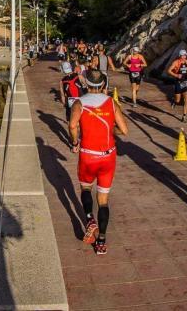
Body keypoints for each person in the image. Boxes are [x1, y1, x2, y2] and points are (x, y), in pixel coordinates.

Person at [68, 70, 128, 255]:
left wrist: (75, 142)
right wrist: (111, 131)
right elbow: (124, 130)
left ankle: (89, 218)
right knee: (103, 200)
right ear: (103, 85)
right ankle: (101, 241)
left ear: (86, 85)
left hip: (88, 154)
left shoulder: (79, 103)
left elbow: (72, 126)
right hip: (108, 156)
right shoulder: (111, 102)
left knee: (86, 188)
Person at [167, 49, 187, 123]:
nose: (184, 57)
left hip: (185, 82)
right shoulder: (176, 62)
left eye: (185, 55)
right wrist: (176, 75)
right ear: (179, 56)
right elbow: (169, 70)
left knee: (186, 99)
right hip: (178, 82)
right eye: (182, 55)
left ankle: (184, 116)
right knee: (178, 100)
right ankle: (174, 101)